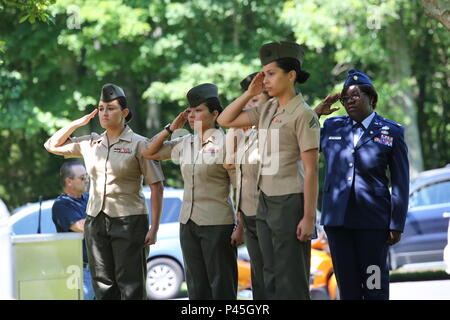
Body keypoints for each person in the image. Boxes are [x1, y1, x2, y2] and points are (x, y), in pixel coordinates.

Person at [217, 41, 320, 300]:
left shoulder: (304, 114)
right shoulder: (268, 109)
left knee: (291, 278)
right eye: (263, 74)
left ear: (291, 75)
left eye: (271, 73)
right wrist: (248, 93)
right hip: (264, 202)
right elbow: (225, 120)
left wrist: (309, 217)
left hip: (288, 201)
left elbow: (311, 171)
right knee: (268, 277)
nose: (266, 80)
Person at [44, 83, 165, 300]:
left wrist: (154, 228)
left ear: (125, 113)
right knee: (103, 286)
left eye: (110, 108)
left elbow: (156, 186)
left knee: (131, 287)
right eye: (101, 108)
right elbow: (52, 145)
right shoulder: (91, 142)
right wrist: (77, 123)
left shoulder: (139, 144)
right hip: (96, 220)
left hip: (129, 220)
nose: (104, 113)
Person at [314, 69, 410, 300]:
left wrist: (396, 223)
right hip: (338, 222)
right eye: (345, 98)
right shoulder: (332, 127)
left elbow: (400, 181)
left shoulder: (391, 132)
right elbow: (300, 143)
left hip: (373, 224)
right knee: (347, 288)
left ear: (371, 97)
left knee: (374, 284)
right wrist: (315, 114)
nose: (349, 101)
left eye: (355, 95)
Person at [142, 83, 238, 300]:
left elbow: (238, 187)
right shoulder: (186, 142)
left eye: (199, 110)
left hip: (217, 223)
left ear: (215, 114)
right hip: (188, 223)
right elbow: (149, 151)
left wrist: (239, 225)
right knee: (196, 287)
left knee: (221, 285)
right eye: (190, 111)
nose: (192, 116)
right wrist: (171, 127)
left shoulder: (227, 143)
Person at [224, 72, 270, 299]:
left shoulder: (275, 129)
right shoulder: (246, 134)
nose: (250, 106)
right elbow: (230, 164)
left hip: (272, 214)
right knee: (259, 278)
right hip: (250, 214)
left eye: (255, 100)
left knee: (276, 277)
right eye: (247, 101)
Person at [52, 161, 95, 300]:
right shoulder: (61, 204)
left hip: (99, 267)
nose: (86, 181)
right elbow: (80, 227)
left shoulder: (89, 198)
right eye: (82, 178)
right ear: (69, 181)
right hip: (79, 271)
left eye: (87, 177)